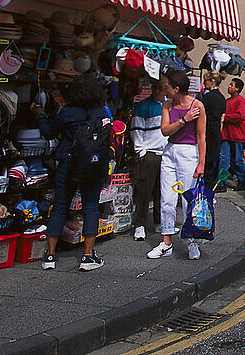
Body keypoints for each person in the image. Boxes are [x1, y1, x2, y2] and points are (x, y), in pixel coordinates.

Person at [35, 72, 112, 271]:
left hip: (67, 162)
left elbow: (49, 132)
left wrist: (40, 117)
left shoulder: (67, 112)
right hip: (93, 165)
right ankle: (87, 256)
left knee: (60, 205)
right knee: (91, 206)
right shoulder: (102, 112)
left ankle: (50, 255)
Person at [148, 70, 206, 261]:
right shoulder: (167, 105)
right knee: (167, 198)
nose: (165, 91)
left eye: (167, 87)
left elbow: (201, 137)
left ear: (177, 88)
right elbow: (165, 130)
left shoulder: (198, 106)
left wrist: (201, 163)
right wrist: (183, 120)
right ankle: (166, 242)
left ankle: (191, 241)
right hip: (170, 152)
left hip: (189, 153)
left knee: (188, 199)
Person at [131, 81, 167, 241]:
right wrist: (141, 151)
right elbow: (136, 128)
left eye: (162, 87)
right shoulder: (144, 106)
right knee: (144, 190)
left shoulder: (169, 105)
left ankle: (159, 221)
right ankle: (140, 224)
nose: (159, 90)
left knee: (163, 190)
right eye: (157, 87)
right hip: (150, 153)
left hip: (166, 153)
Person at [220, 78, 245, 191]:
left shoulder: (240, 100)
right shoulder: (227, 101)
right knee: (223, 158)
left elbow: (240, 116)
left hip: (236, 134)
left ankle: (242, 180)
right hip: (226, 134)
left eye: (232, 85)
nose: (229, 87)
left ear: (237, 88)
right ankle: (221, 182)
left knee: (237, 159)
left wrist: (226, 117)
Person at [200, 73, 226, 192]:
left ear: (212, 82)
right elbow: (222, 118)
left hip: (207, 128)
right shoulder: (221, 98)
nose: (205, 84)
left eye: (206, 81)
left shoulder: (207, 97)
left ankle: (203, 188)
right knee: (212, 160)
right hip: (216, 130)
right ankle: (209, 188)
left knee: (205, 160)